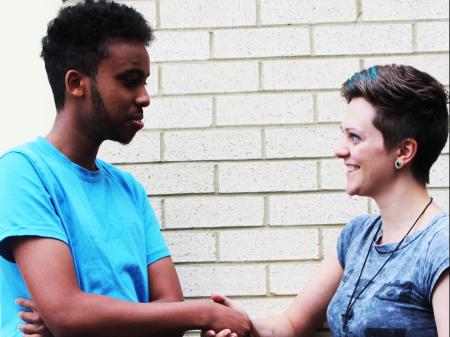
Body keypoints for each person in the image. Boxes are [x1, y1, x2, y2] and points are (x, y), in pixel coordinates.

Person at [0, 1, 255, 336]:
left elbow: (169, 307)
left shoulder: (129, 189)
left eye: (144, 82)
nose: (144, 97)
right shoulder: (22, 173)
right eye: (130, 81)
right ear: (76, 83)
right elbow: (66, 312)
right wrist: (203, 313)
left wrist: (85, 320)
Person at [203, 65, 449, 337]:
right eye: (343, 135)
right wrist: (240, 324)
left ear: (404, 151)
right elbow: (292, 324)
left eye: (354, 137)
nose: (340, 150)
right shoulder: (357, 237)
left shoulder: (440, 246)